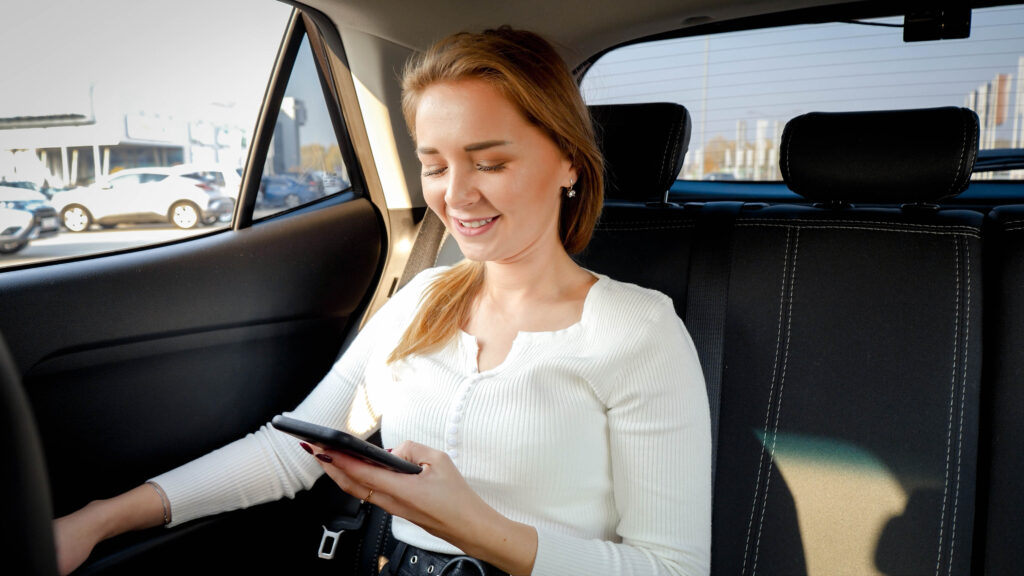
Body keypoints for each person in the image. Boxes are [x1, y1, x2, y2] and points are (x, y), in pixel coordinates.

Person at [53, 26, 711, 576]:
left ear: (568, 161)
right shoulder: (423, 298)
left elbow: (675, 568)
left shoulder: (636, 331)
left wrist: (475, 527)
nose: (456, 195)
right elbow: (290, 452)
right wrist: (99, 519)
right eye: (435, 164)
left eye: (489, 163)